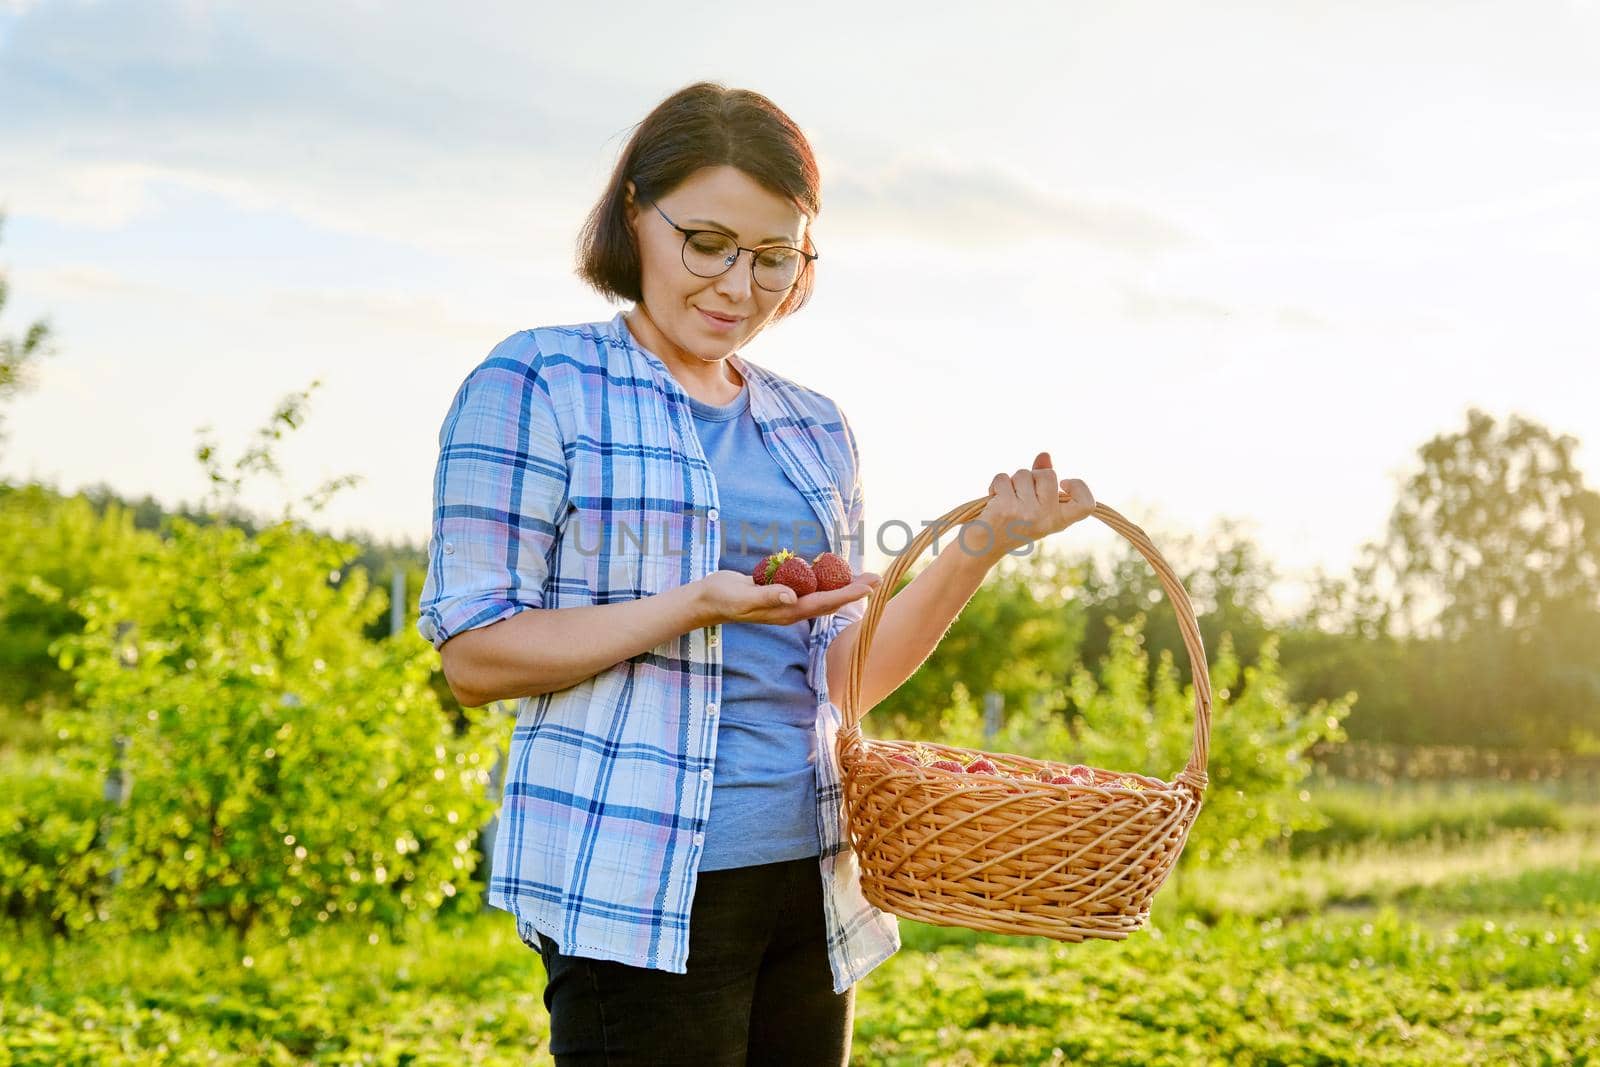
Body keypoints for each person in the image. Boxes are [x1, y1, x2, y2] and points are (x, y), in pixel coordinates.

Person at [417, 80, 1096, 1067]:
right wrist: (695, 603)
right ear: (635, 214)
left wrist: (979, 545)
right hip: (638, 882)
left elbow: (840, 680)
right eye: (708, 243)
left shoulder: (813, 426)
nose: (739, 286)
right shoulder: (538, 382)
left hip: (812, 875)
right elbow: (476, 656)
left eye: (774, 258)